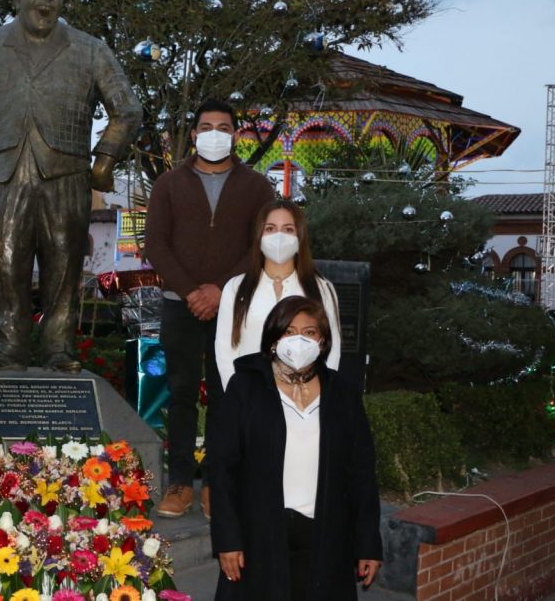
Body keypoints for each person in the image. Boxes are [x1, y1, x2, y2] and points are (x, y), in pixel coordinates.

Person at [0, 0, 142, 372]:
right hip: (6, 172)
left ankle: (58, 349)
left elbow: (127, 109)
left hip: (67, 173)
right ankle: (10, 347)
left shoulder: (90, 48)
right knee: (5, 262)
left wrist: (105, 158)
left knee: (65, 264)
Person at [144, 98, 275, 518]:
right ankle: (180, 483)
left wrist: (219, 290)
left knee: (227, 397)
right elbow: (155, 246)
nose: (214, 133)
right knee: (181, 395)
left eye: (223, 127)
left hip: (233, 306)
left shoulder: (257, 187)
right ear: (195, 134)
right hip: (177, 305)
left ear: (235, 134)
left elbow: (261, 245)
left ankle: (219, 484)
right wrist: (190, 292)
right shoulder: (168, 183)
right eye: (206, 126)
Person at [207, 295, 382, 601]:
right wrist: (227, 540)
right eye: (289, 331)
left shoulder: (342, 393)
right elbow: (222, 470)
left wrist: (368, 543)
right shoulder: (245, 388)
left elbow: (361, 473)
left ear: (323, 340)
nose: (299, 340)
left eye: (310, 332)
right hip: (259, 537)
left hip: (326, 536)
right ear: (273, 340)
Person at [215, 199, 341, 392]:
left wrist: (317, 397)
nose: (279, 236)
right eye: (271, 228)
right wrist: (238, 396)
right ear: (259, 236)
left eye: (288, 229)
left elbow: (332, 349)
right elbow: (225, 350)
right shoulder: (235, 288)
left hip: (305, 397)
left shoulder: (322, 289)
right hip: (250, 396)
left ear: (300, 237)